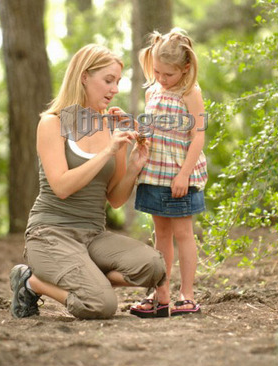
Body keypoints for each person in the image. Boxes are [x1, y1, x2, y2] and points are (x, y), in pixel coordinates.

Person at [9, 44, 166, 320]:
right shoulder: (52, 123)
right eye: (108, 80)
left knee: (154, 266)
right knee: (100, 306)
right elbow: (62, 186)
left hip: (93, 236)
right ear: (84, 76)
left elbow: (115, 200)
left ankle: (88, 277)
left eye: (117, 81)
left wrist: (133, 167)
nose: (115, 88)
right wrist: (108, 151)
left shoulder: (110, 127)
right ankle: (30, 283)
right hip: (51, 234)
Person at [130, 29, 208, 318]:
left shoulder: (190, 92)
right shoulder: (153, 90)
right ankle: (160, 295)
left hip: (179, 175)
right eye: (158, 72)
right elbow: (151, 132)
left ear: (185, 68)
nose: (162, 79)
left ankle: (186, 294)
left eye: (168, 75)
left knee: (183, 233)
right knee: (160, 235)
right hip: (154, 175)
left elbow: (198, 137)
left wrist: (184, 175)